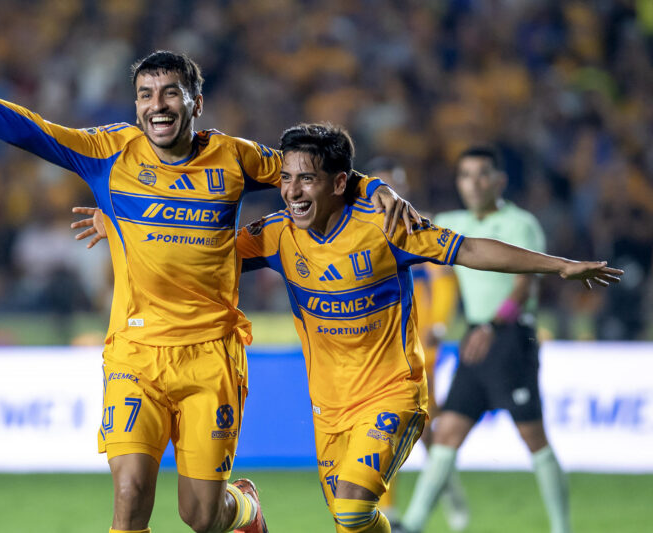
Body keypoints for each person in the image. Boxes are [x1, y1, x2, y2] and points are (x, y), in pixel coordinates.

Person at [0, 40, 417, 533]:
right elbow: (33, 131)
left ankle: (246, 508)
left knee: (202, 517)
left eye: (170, 93)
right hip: (135, 354)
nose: (157, 105)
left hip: (210, 357)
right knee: (131, 492)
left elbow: (318, 169)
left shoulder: (235, 158)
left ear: (196, 102)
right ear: (135, 104)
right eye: (145, 94)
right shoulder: (110, 153)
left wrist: (376, 187)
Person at [74, 124, 621, 533]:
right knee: (348, 519)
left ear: (340, 183)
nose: (290, 191)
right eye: (284, 179)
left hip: (392, 392)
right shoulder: (275, 235)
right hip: (328, 409)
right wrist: (124, 228)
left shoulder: (387, 228)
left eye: (305, 179)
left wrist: (561, 266)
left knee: (357, 504)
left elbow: (471, 250)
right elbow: (199, 250)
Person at [395, 146, 577, 533]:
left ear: (499, 180)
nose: (473, 183)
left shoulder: (520, 224)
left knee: (534, 438)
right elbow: (406, 229)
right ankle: (412, 524)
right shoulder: (450, 220)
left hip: (510, 338)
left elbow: (526, 284)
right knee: (446, 435)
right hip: (475, 338)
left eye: (481, 174)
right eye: (465, 175)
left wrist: (492, 328)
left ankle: (562, 528)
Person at [364, 157, 468, 530]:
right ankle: (388, 509)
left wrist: (437, 325)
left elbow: (444, 283)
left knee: (424, 427)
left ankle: (451, 492)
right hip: (379, 348)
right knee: (383, 426)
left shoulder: (417, 226)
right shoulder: (359, 229)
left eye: (397, 181)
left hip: (419, 348)